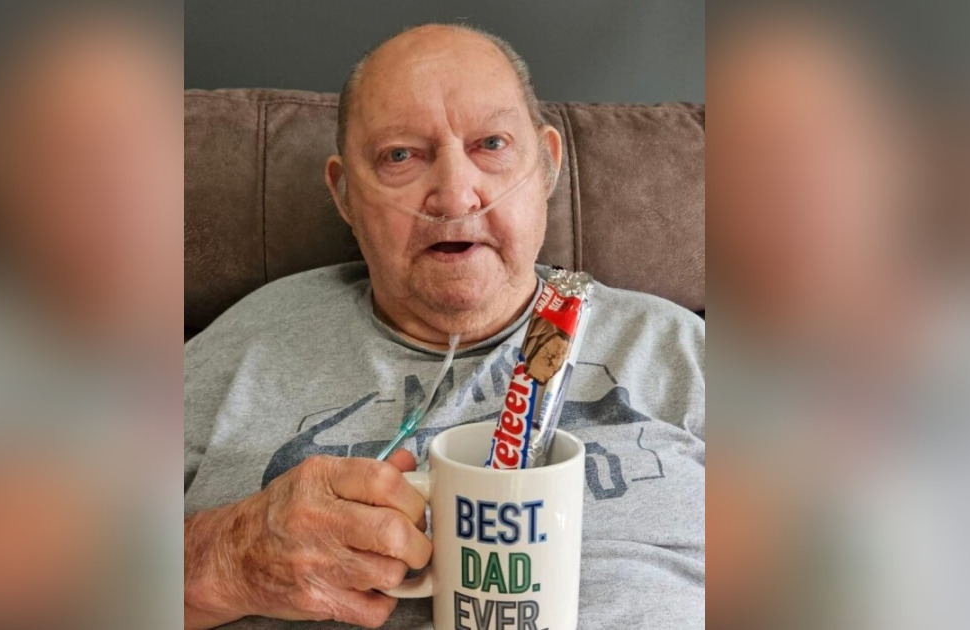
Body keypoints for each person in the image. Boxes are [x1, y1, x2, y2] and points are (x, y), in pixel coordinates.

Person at [184, 23, 705, 629]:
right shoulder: (247, 342)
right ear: (345, 195)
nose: (456, 198)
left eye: (492, 143)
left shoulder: (678, 350)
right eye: (400, 155)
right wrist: (222, 556)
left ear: (547, 166)